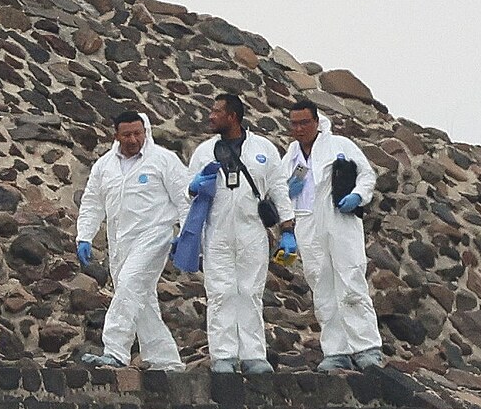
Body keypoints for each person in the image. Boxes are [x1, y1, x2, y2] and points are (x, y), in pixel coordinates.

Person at [186, 93, 295, 375]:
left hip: (252, 232)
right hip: (218, 232)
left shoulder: (264, 149)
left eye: (216, 111)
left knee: (249, 292)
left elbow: (279, 190)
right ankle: (223, 355)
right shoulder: (204, 151)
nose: (211, 116)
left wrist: (287, 230)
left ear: (232, 116)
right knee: (220, 293)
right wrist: (192, 189)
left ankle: (253, 355)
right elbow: (188, 194)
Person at [73, 111, 189, 371]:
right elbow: (92, 202)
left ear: (145, 132)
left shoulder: (163, 161)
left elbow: (185, 198)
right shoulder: (104, 166)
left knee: (129, 285)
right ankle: (165, 360)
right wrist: (84, 236)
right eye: (127, 134)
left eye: (138, 133)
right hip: (120, 240)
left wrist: (186, 234)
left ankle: (115, 351)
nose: (133, 139)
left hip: (154, 235)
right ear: (116, 136)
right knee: (141, 298)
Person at [281, 100, 383, 372]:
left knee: (350, 279)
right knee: (321, 284)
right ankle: (336, 350)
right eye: (294, 124)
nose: (299, 129)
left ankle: (366, 347)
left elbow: (366, 174)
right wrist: (287, 226)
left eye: (304, 123)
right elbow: (279, 192)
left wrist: (358, 196)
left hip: (339, 219)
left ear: (316, 121)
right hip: (307, 223)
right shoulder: (291, 154)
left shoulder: (340, 145)